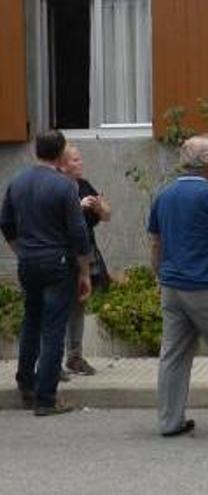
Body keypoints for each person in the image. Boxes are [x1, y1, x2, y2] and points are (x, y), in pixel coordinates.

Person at [0, 130, 91, 416]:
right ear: (61, 152)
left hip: (28, 261)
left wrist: (21, 250)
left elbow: (5, 223)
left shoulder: (17, 182)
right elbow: (78, 233)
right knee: (53, 328)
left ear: (35, 151)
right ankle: (46, 398)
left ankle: (25, 382)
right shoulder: (65, 187)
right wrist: (84, 272)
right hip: (57, 262)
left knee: (32, 321)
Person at [148, 135, 208, 437]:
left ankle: (170, 422)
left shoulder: (164, 194)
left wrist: (160, 276)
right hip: (203, 284)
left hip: (172, 285)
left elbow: (156, 242)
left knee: (172, 355)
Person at [57, 144, 111, 376]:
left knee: (79, 304)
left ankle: (75, 357)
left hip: (85, 250)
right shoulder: (56, 187)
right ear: (63, 164)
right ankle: (52, 360)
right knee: (57, 307)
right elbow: (53, 220)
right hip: (61, 253)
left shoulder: (84, 185)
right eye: (76, 160)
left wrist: (99, 207)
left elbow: (107, 215)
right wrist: (75, 208)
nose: (81, 163)